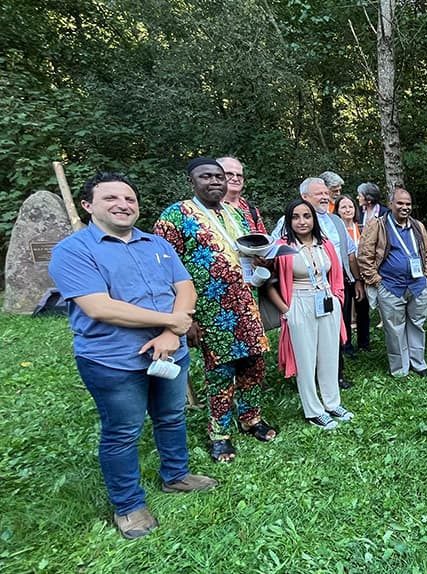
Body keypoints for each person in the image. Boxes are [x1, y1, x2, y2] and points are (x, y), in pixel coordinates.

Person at [49, 172, 217, 540]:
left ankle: (176, 475)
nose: (123, 205)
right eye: (111, 199)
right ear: (88, 205)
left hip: (170, 351)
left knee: (171, 416)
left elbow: (184, 287)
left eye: (129, 199)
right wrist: (172, 320)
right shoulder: (74, 251)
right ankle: (128, 505)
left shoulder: (156, 244)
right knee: (123, 432)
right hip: (114, 361)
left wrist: (172, 331)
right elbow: (99, 307)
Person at [154, 157, 275, 463]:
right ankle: (219, 434)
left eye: (219, 177)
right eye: (206, 177)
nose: (215, 182)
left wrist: (261, 261)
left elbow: (248, 252)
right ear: (191, 182)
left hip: (247, 304)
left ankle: (251, 418)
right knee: (220, 371)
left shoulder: (237, 214)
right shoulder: (177, 215)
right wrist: (186, 318)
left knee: (254, 365)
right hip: (210, 311)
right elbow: (164, 269)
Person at [266, 199, 354, 429]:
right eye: (296, 217)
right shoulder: (281, 247)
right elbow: (267, 283)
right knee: (305, 360)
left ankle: (332, 403)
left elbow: (336, 274)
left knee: (329, 355)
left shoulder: (324, 244)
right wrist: (286, 311)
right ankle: (313, 410)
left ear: (314, 219)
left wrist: (337, 298)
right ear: (288, 220)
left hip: (326, 302)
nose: (302, 221)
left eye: (306, 216)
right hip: (299, 304)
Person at [272, 178, 362, 385]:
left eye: (326, 193)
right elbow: (274, 254)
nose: (325, 197)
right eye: (318, 194)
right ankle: (309, 377)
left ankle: (335, 376)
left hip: (335, 287)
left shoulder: (335, 220)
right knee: (309, 337)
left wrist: (355, 280)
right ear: (304, 197)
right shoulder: (288, 223)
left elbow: (349, 253)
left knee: (336, 332)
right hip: (303, 290)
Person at [358, 187, 427, 377]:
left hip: (417, 286)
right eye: (400, 203)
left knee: (417, 323)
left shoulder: (418, 226)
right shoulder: (378, 225)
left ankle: (418, 362)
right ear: (391, 204)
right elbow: (364, 256)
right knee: (394, 328)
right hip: (391, 286)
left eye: (408, 204)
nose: (404, 207)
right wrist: (377, 281)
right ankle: (400, 368)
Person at [336, 194, 371, 353]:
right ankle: (346, 344)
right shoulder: (335, 230)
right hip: (343, 275)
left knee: (363, 308)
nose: (347, 209)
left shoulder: (362, 227)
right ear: (337, 211)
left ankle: (364, 343)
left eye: (350, 206)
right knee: (345, 310)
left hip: (362, 273)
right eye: (343, 207)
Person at [218, 156, 266, 234]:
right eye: (229, 174)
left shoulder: (251, 210)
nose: (235, 179)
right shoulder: (208, 208)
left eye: (239, 175)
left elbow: (264, 241)